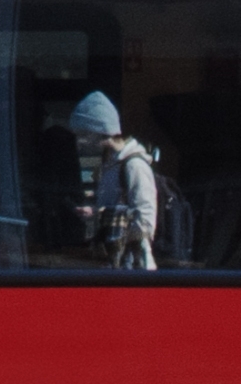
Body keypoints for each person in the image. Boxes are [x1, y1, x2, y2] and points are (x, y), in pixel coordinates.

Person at [68, 89, 167, 273]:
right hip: (115, 267)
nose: (79, 142)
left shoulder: (134, 165)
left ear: (101, 131)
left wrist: (104, 216)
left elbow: (144, 221)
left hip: (131, 270)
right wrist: (96, 213)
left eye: (83, 134)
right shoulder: (108, 165)